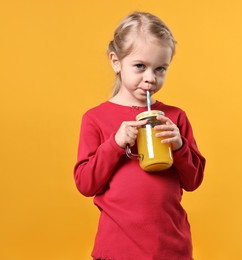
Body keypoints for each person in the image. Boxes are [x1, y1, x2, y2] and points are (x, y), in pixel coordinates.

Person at [74, 11, 206, 260]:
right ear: (116, 62)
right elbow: (85, 184)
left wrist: (179, 146)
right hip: (117, 250)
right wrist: (114, 144)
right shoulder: (95, 119)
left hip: (171, 249)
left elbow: (193, 181)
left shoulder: (174, 118)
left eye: (160, 69)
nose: (150, 78)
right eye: (140, 66)